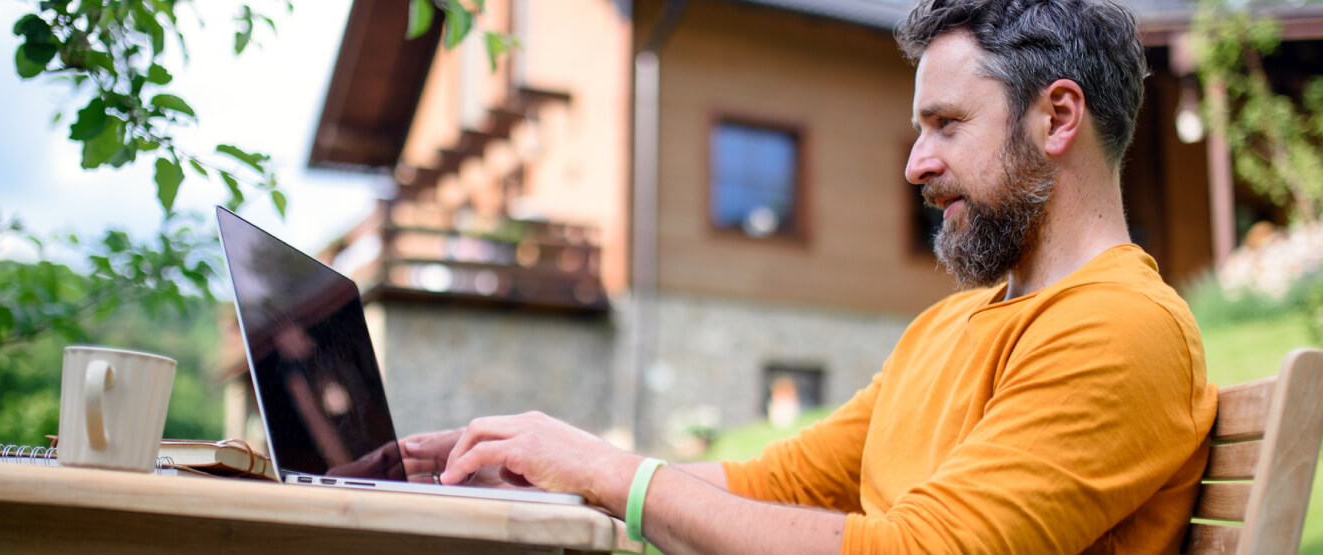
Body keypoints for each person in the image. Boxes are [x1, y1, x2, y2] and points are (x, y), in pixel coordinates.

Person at [401, 0, 1218, 552]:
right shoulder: (946, 329)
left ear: (1057, 117)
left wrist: (612, 473)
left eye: (945, 125)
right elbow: (779, 481)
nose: (915, 164)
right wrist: (547, 466)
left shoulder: (1122, 327)